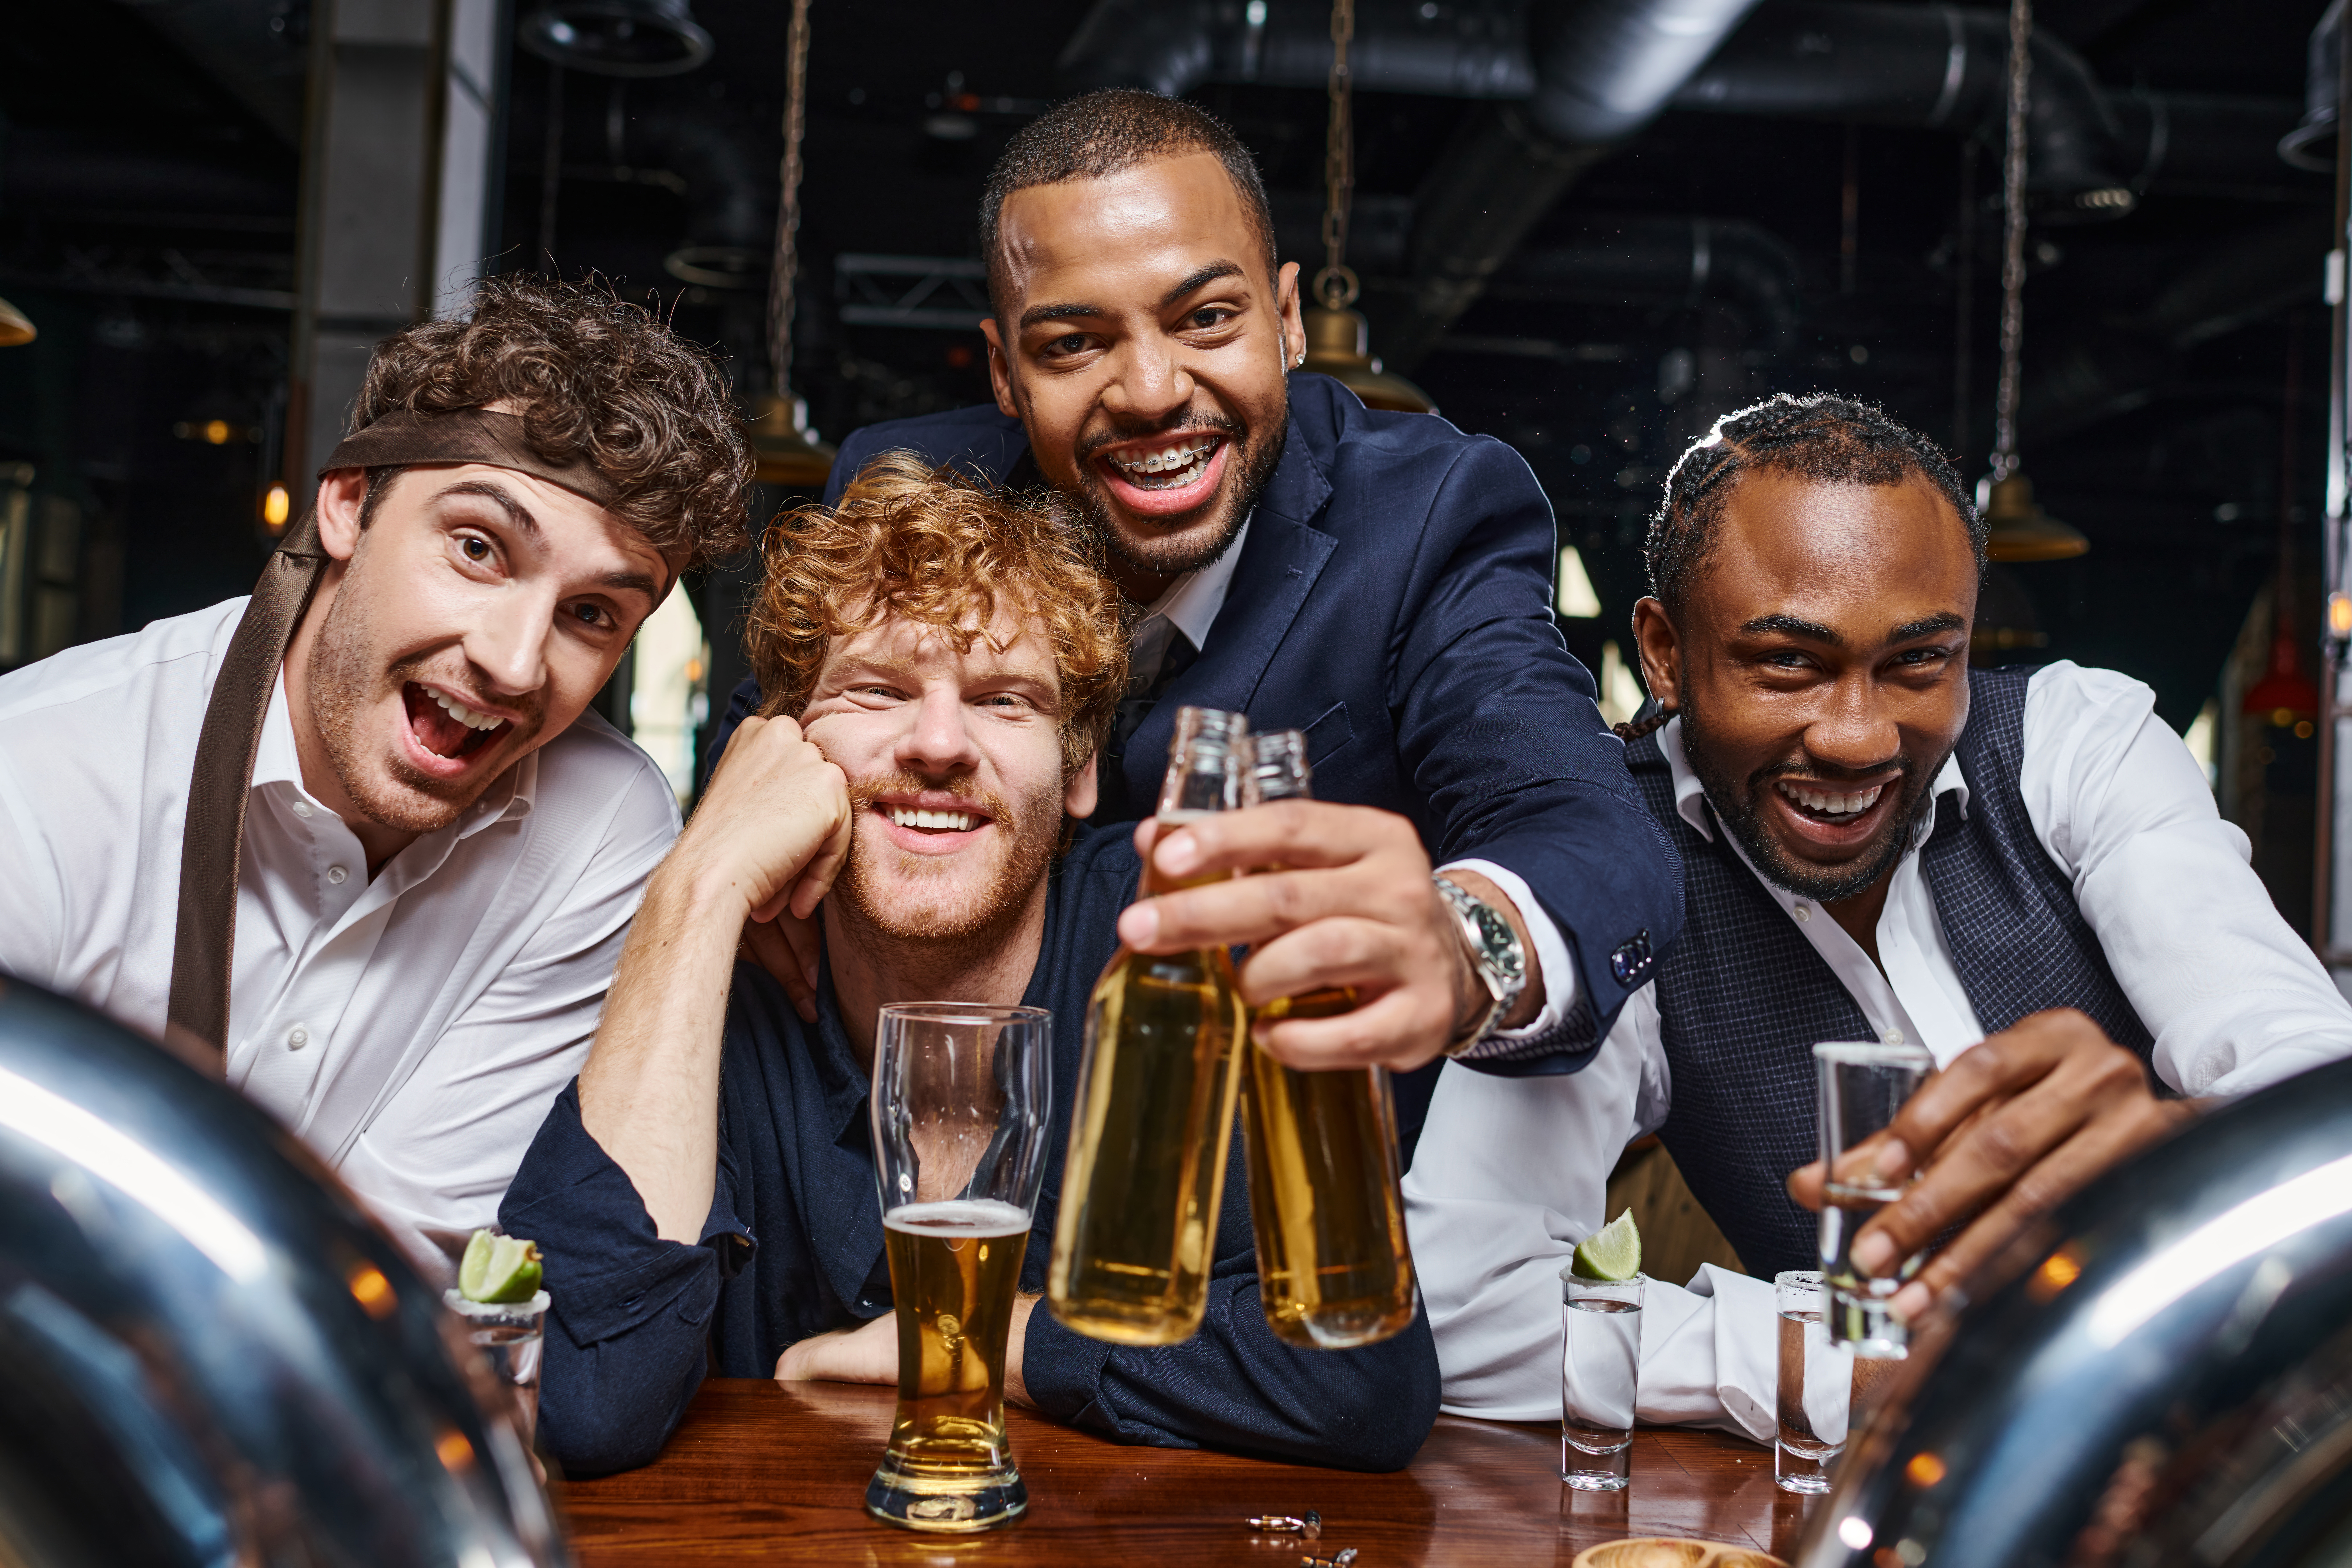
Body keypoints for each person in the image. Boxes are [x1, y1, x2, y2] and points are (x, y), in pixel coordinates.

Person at [1405, 393, 2352, 1435]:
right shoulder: (1616, 866)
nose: (1858, 739)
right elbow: (1463, 1307)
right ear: (1665, 652)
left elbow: (2323, 1103)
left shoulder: (2083, 746)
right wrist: (1857, 1363)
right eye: (1790, 664)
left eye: (1917, 663)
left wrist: (2181, 1156)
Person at [710, 90, 1679, 1098]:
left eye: (1208, 318)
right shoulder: (910, 485)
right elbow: (765, 744)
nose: (1151, 390)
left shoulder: (1428, 515)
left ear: (1290, 319)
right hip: (950, 1127)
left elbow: (1583, 827)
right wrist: (731, 873)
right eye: (1073, 345)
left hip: (1294, 1169)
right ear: (1005, 372)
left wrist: (1466, 943)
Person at [502, 456, 1446, 1476]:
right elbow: (577, 1402)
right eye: (876, 690)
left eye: (1004, 700)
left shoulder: (1183, 961)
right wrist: (699, 882)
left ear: (1081, 769)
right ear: (782, 745)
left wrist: (975, 1342)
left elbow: (1362, 1384)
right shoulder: (711, 982)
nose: (940, 744)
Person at [0, 275, 749, 1265]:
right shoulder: (41, 771)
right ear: (349, 506)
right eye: (479, 549)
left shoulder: (599, 831)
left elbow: (416, 1261)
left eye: (592, 614)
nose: (515, 663)